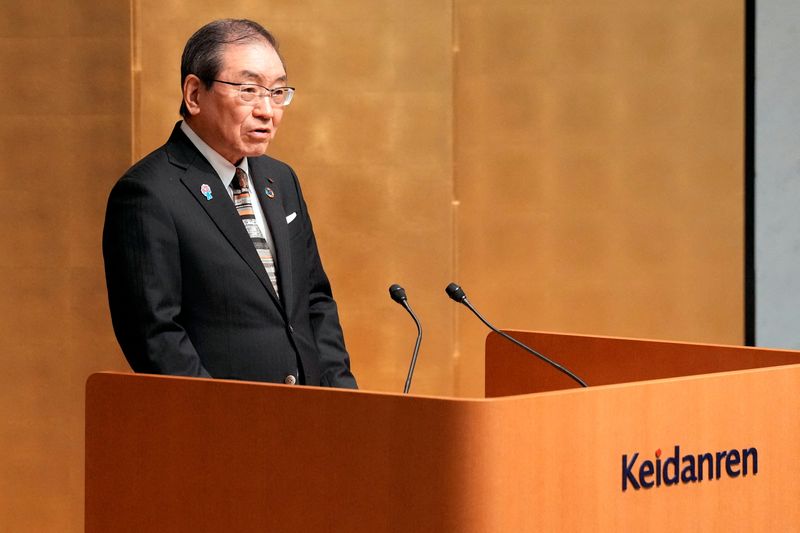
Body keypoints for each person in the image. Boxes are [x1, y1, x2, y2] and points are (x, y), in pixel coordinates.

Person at [103, 19, 357, 388]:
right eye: (249, 89)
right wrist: (221, 421)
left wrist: (346, 403)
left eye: (277, 92)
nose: (267, 111)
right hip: (223, 428)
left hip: (310, 419)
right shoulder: (148, 193)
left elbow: (315, 302)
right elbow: (155, 336)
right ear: (194, 94)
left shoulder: (280, 180)